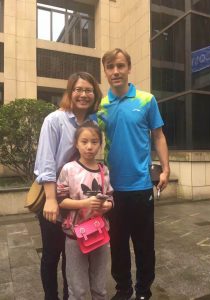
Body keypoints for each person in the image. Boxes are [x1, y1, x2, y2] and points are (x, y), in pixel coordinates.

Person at [97, 48, 170, 300]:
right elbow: (87, 139)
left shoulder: (146, 100)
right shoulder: (101, 106)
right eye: (110, 67)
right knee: (117, 246)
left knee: (144, 245)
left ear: (129, 68)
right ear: (105, 71)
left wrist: (166, 169)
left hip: (140, 186)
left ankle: (143, 291)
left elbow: (158, 136)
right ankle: (123, 289)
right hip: (112, 189)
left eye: (120, 66)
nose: (115, 71)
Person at [34, 72, 102, 300]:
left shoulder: (93, 124)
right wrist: (51, 199)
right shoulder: (55, 120)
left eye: (88, 90)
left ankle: (68, 295)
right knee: (52, 254)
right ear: (70, 92)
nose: (83, 95)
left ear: (95, 94)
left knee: (71, 254)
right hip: (54, 196)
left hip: (78, 200)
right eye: (78, 89)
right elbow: (46, 162)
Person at [56, 121, 113, 300]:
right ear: (76, 144)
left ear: (100, 144)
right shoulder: (69, 169)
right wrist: (86, 203)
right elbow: (61, 201)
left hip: (99, 233)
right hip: (75, 236)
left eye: (94, 142)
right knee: (78, 290)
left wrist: (107, 206)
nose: (89, 146)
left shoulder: (104, 170)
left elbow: (110, 197)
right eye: (84, 141)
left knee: (100, 288)